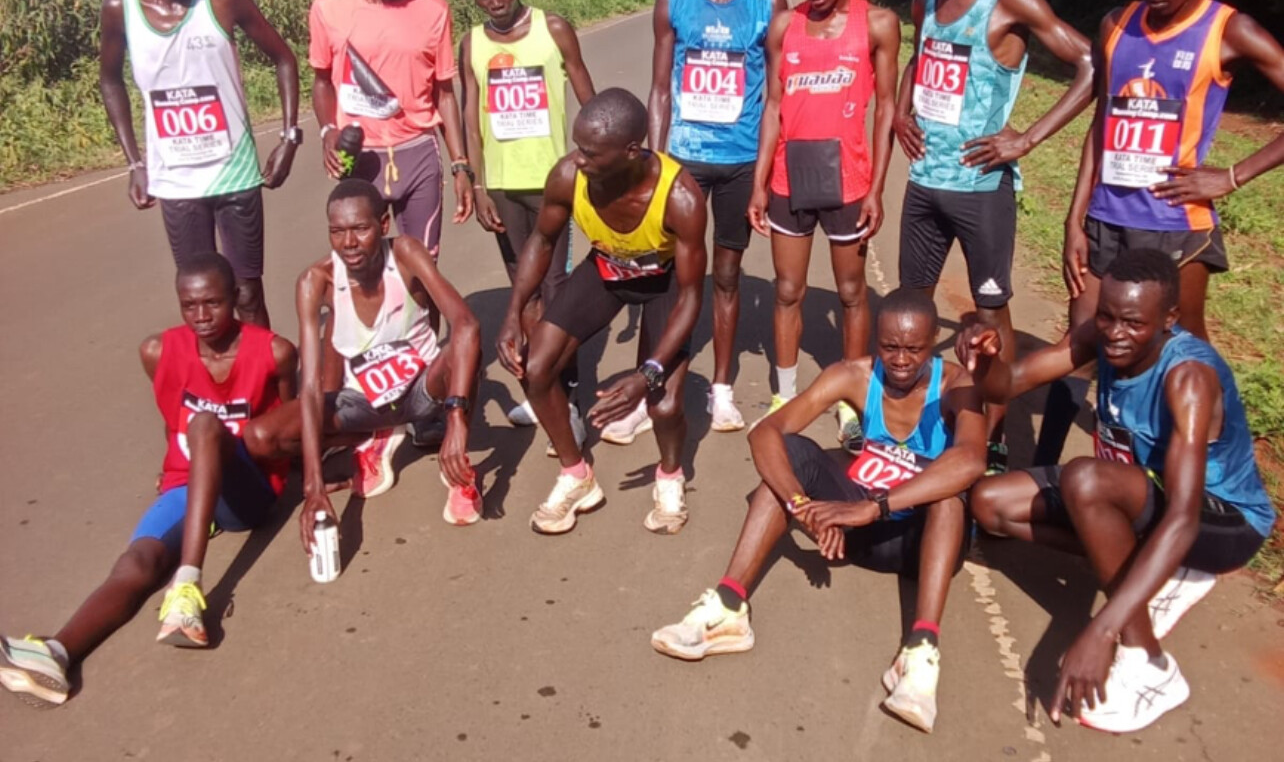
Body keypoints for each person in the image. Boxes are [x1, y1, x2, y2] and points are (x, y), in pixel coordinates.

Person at [963, 249, 1276, 734]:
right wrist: (985, 360)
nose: (1115, 333)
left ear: (1169, 319)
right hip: (1141, 496)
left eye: (1133, 323)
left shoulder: (1187, 378)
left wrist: (1103, 628)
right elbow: (1007, 385)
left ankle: (1148, 663)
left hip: (1224, 520)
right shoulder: (1100, 336)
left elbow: (1183, 517)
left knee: (1085, 479)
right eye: (1107, 316)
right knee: (990, 505)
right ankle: (1148, 570)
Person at [652, 288, 986, 735]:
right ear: (875, 340)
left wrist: (875, 507)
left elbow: (971, 460)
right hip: (854, 531)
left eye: (914, 349)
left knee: (950, 495)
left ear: (932, 346)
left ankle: (920, 654)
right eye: (890, 347)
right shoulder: (853, 375)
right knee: (789, 454)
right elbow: (766, 432)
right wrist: (801, 506)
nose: (901, 360)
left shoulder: (956, 384)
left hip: (919, 541)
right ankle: (729, 606)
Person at [0, 254, 311, 707]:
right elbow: (171, 420)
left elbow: (290, 425)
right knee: (137, 562)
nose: (201, 316)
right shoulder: (158, 351)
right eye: (189, 305)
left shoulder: (274, 352)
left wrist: (311, 481)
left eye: (213, 303)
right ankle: (58, 652)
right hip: (187, 482)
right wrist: (177, 473)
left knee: (205, 425)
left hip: (249, 491)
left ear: (235, 298)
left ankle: (187, 586)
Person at [1040, 0, 1284, 463]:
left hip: (1177, 226)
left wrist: (1232, 176)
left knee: (1185, 348)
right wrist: (1075, 220)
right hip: (1106, 220)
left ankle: (1212, 470)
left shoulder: (1227, 30)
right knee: (1081, 341)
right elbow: (1101, 124)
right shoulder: (1117, 24)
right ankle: (1044, 467)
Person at [893, 0, 1094, 470]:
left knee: (988, 314)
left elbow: (1091, 63)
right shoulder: (925, 1)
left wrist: (1027, 138)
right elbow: (918, 56)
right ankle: (915, 424)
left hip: (982, 190)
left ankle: (998, 434)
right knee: (912, 307)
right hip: (926, 183)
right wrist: (902, 113)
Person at [497, 89, 707, 535]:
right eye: (578, 147)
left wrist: (647, 374)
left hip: (664, 283)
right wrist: (514, 312)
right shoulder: (568, 176)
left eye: (591, 153)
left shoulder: (680, 197)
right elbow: (542, 241)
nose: (579, 159)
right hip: (607, 271)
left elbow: (691, 297)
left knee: (664, 404)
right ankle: (576, 476)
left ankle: (670, 477)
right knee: (535, 368)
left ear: (631, 151)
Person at [99, 0, 301, 328]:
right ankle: (217, 372)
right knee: (202, 297)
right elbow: (110, 80)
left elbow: (284, 58)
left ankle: (263, 372)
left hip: (235, 172)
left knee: (247, 293)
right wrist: (135, 163)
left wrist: (289, 138)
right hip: (177, 179)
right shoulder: (121, 8)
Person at [748, 0, 900, 442]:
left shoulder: (877, 24)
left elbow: (886, 110)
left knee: (852, 293)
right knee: (787, 290)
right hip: (790, 178)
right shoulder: (783, 27)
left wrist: (877, 188)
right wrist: (759, 182)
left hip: (849, 182)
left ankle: (851, 402)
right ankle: (785, 396)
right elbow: (773, 107)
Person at [646, 0, 787, 435]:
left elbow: (776, 97)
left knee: (725, 276)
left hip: (740, 161)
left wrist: (764, 174)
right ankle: (654, 386)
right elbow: (660, 90)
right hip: (685, 158)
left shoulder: (768, 3)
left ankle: (722, 390)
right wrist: (656, 163)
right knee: (670, 276)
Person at [295, 179, 484, 553]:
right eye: (337, 232)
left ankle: (459, 470)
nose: (349, 243)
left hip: (424, 389)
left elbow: (466, 324)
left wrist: (456, 421)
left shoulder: (405, 253)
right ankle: (377, 437)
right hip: (363, 399)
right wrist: (313, 487)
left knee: (465, 350)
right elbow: (311, 389)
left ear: (383, 225)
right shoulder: (314, 281)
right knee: (265, 437)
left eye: (360, 229)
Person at [461, 0, 596, 440]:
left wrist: (599, 162)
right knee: (525, 291)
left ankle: (570, 398)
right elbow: (471, 116)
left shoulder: (552, 29)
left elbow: (588, 98)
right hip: (502, 188)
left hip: (552, 184)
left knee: (556, 289)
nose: (496, 2)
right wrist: (477, 183)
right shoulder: (472, 44)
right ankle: (542, 391)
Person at [308, 0, 474, 258]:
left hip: (419, 154)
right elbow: (321, 81)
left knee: (423, 267)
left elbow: (444, 94)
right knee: (361, 265)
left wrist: (460, 165)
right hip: (360, 158)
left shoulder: (434, 9)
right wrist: (328, 132)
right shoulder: (328, 8)